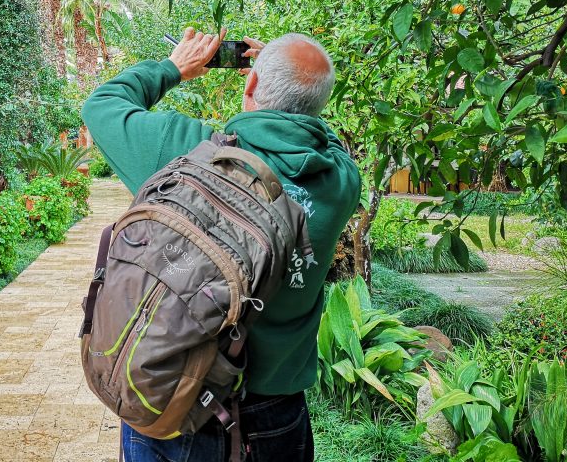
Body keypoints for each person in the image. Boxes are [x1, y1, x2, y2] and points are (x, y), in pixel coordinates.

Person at [81, 27, 362, 462]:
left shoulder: (184, 151)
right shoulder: (340, 182)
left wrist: (174, 67)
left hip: (173, 401)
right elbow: (329, 140)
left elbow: (101, 105)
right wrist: (291, 79)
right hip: (276, 415)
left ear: (252, 83)